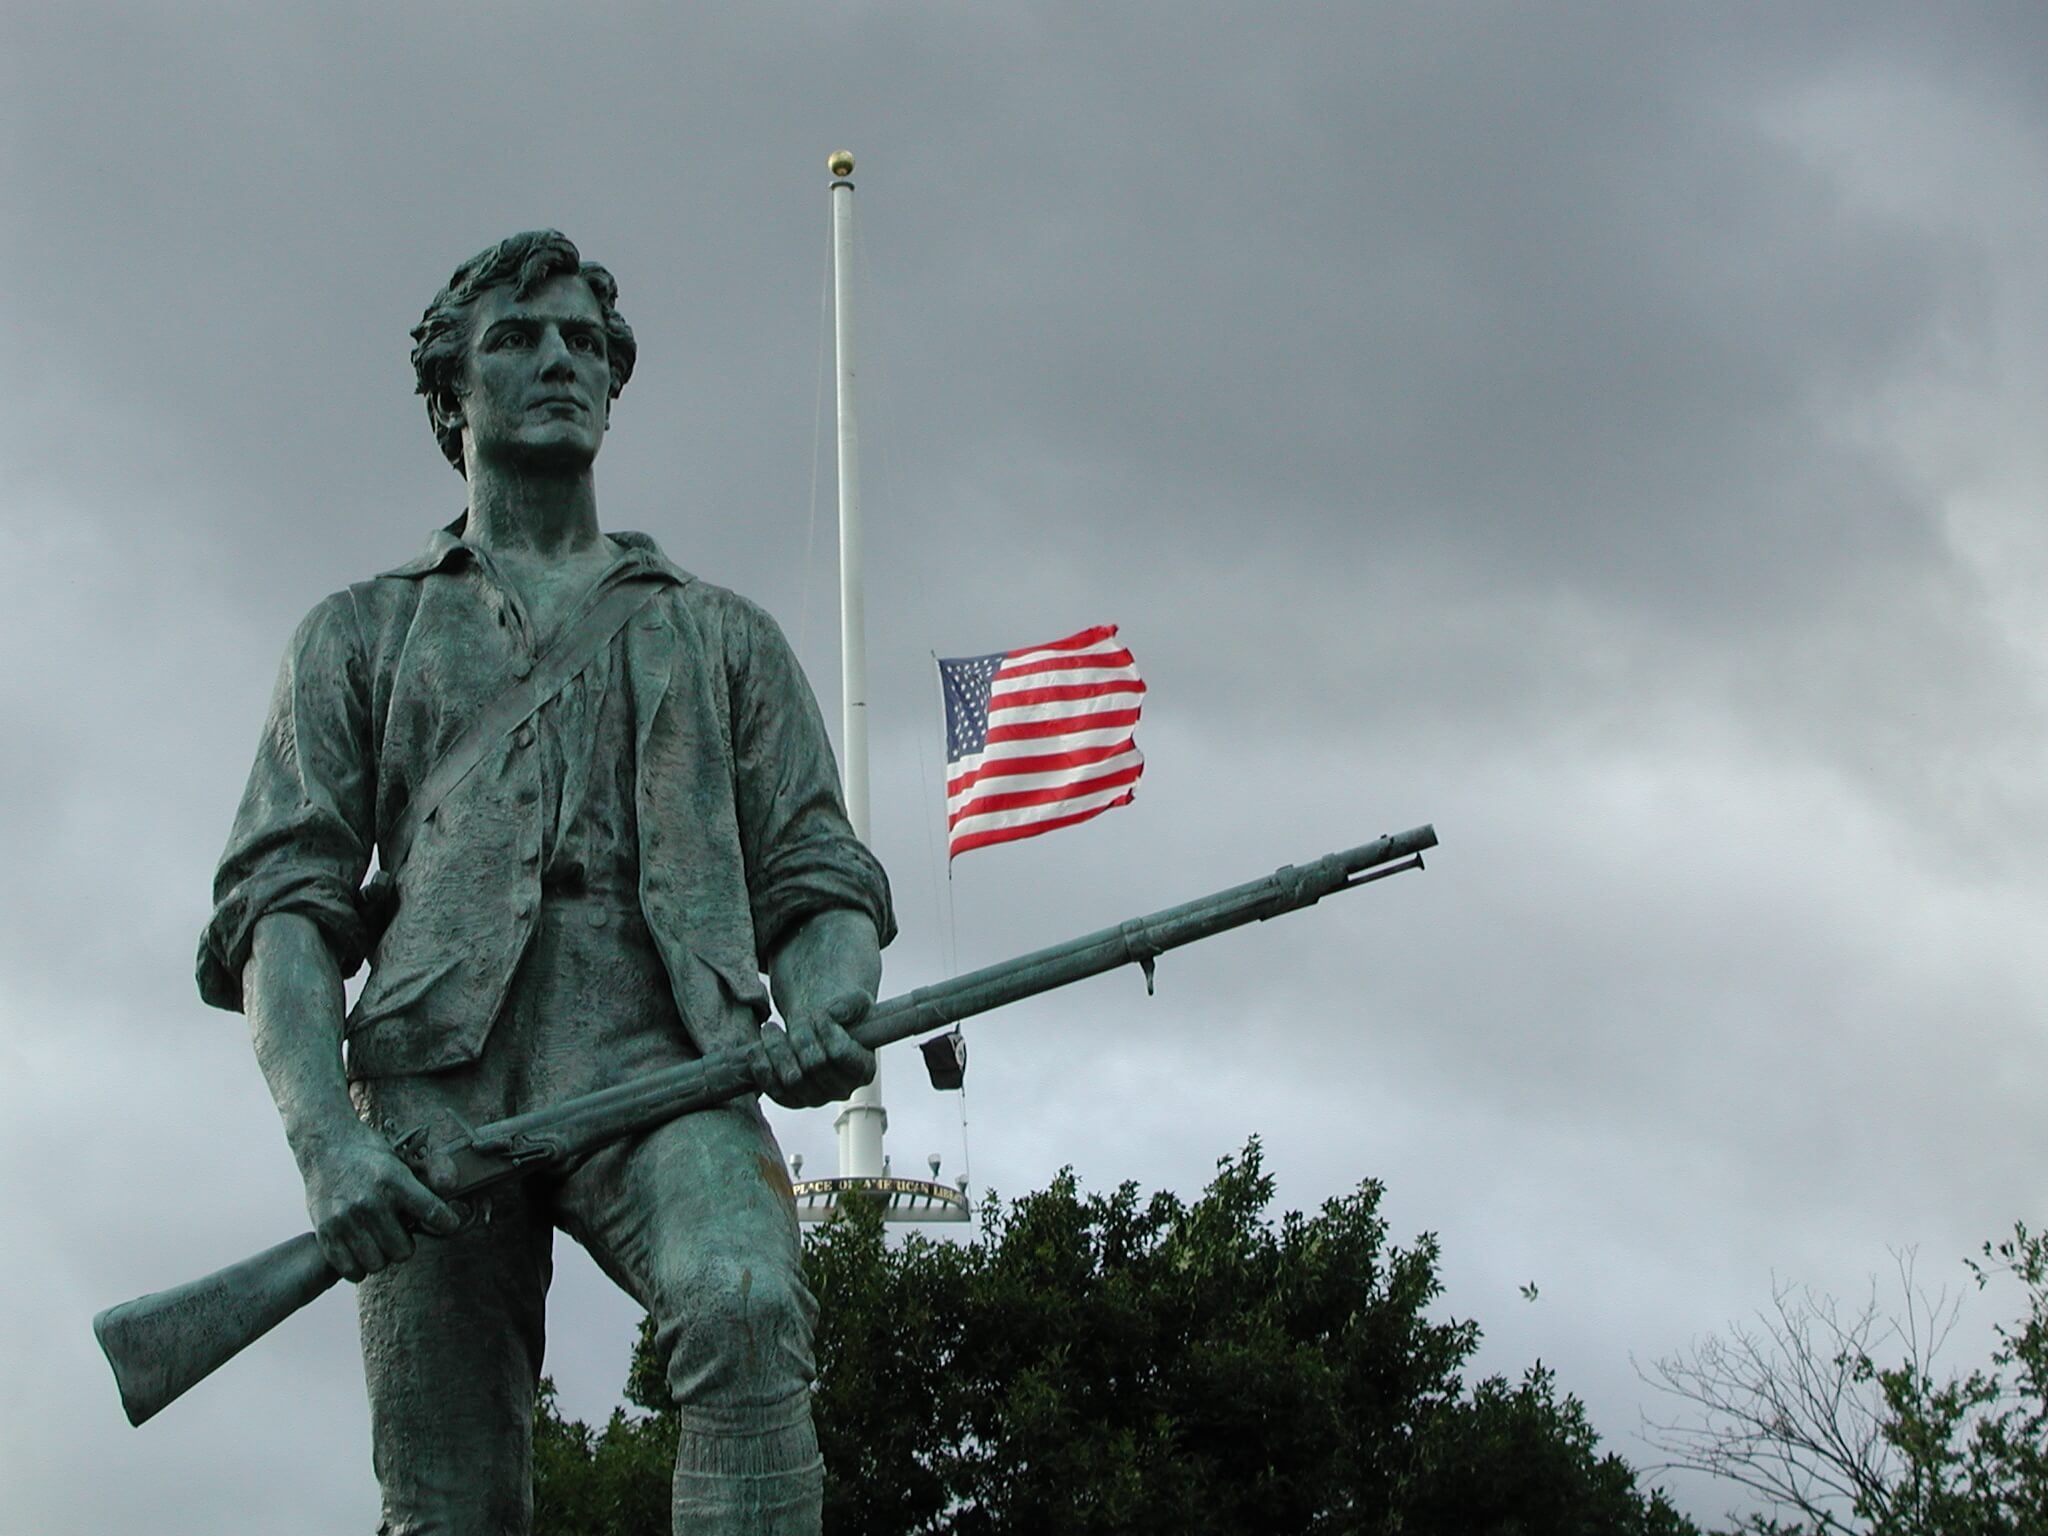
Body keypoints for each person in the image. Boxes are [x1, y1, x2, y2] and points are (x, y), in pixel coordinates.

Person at [198, 230, 893, 1535]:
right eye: (516, 339)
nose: (559, 360)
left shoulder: (724, 633)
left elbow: (815, 878)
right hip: (430, 1100)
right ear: (450, 392)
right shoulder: (359, 634)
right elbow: (282, 914)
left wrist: (830, 1001)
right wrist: (327, 1148)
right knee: (449, 1496)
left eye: (584, 340)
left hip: (667, 1065)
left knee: (746, 1306)